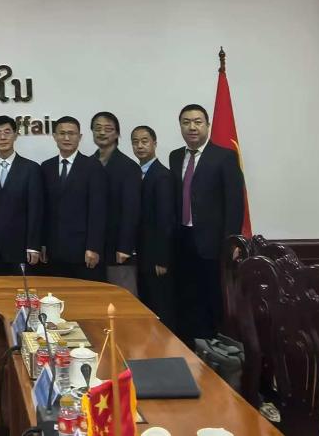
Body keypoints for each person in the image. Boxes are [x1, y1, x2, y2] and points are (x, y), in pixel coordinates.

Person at [169, 104, 245, 343]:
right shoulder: (175, 156)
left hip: (212, 242)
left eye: (197, 122)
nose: (192, 127)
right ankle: (190, 345)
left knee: (211, 298)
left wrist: (232, 241)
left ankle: (214, 348)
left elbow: (234, 202)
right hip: (182, 238)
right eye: (186, 122)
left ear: (207, 125)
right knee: (185, 297)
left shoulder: (224, 156)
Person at [41, 117, 107, 281]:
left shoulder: (92, 166)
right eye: (62, 133)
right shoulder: (46, 167)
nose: (66, 138)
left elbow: (98, 210)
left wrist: (93, 247)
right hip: (53, 251)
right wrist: (41, 243)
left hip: (82, 251)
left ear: (80, 137)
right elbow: (42, 210)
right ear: (54, 136)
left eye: (71, 133)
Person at [0, 115, 44, 276]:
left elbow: (36, 210)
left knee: (21, 291)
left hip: (21, 249)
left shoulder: (31, 168)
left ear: (15, 135)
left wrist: (33, 245)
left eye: (7, 132)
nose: (3, 137)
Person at [131, 125, 177, 330]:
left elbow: (166, 220)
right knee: (147, 304)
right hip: (142, 254)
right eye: (135, 142)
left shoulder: (162, 175)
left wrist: (162, 258)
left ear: (155, 143)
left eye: (145, 141)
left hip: (156, 257)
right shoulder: (136, 173)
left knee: (161, 306)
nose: (140, 146)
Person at [91, 111, 141, 295]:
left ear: (117, 133)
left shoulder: (128, 166)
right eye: (97, 128)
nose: (102, 132)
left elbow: (131, 209)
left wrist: (125, 246)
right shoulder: (88, 163)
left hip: (118, 248)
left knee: (122, 298)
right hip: (93, 248)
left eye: (108, 129)